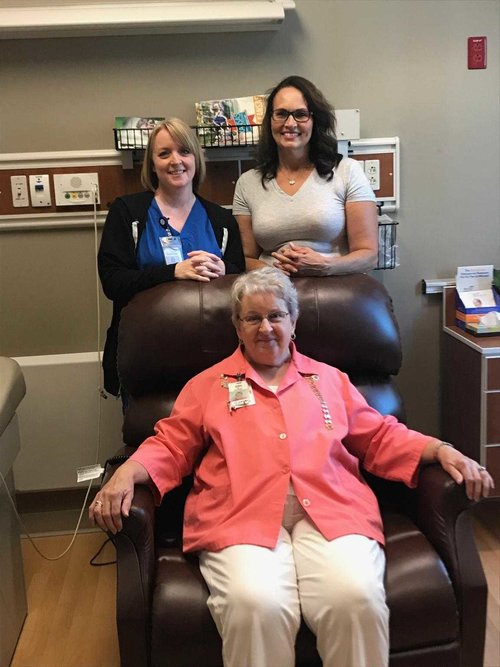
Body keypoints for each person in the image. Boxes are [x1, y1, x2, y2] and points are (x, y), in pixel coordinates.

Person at [90, 267, 494, 667]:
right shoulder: (208, 385)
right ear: (237, 325)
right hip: (239, 514)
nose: (265, 327)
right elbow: (171, 444)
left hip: (333, 509)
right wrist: (129, 471)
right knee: (255, 605)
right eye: (253, 317)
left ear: (294, 320)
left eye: (275, 315)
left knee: (355, 598)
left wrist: (441, 449)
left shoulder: (330, 380)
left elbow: (379, 437)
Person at [98, 117, 245, 398]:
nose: (175, 160)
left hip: (216, 353)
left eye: (184, 151)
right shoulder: (128, 213)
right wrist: (172, 271)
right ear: (152, 164)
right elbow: (113, 282)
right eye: (164, 153)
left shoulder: (221, 220)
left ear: (196, 159)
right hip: (147, 354)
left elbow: (241, 276)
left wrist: (225, 268)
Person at [233, 75, 379, 276]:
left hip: (333, 292)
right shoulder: (247, 183)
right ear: (270, 121)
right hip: (272, 293)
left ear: (315, 121)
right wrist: (274, 270)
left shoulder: (348, 171)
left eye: (301, 114)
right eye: (281, 113)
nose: (290, 123)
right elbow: (245, 259)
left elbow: (369, 255)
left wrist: (325, 265)